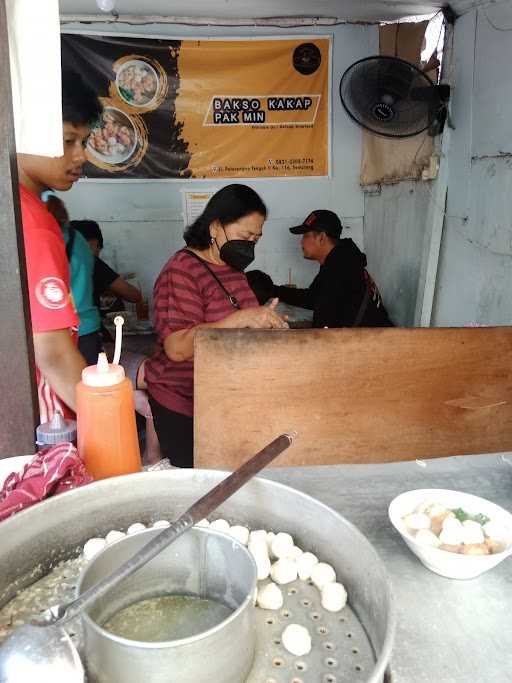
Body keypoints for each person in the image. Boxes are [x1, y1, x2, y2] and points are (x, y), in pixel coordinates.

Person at [145, 183, 288, 468]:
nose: (249, 245)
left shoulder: (233, 270)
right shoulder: (182, 270)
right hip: (184, 401)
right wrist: (241, 319)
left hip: (225, 396)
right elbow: (176, 348)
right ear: (215, 227)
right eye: (245, 235)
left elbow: (244, 321)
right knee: (196, 481)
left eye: (256, 239)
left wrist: (266, 326)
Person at [17, 70, 102, 422]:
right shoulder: (34, 222)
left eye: (83, 142)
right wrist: (106, 423)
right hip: (41, 416)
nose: (81, 156)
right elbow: (51, 352)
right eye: (68, 141)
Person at [246, 209, 393, 328]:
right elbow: (313, 298)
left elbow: (323, 329)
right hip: (376, 337)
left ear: (321, 238)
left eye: (305, 236)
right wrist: (274, 290)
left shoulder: (338, 270)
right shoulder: (341, 260)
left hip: (376, 346)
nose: (301, 242)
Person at [44, 195, 103, 365]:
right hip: (89, 330)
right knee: (89, 387)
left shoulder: (46, 239)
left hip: (61, 330)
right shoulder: (78, 238)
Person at [71, 219, 143, 315]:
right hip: (87, 326)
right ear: (95, 243)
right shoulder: (91, 262)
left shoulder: (56, 261)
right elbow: (134, 296)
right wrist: (112, 287)